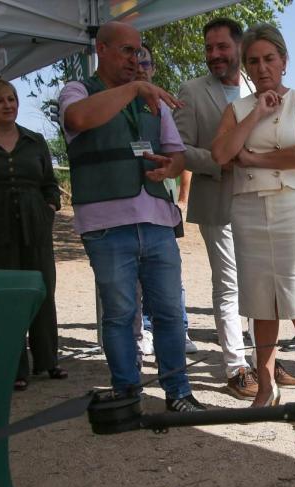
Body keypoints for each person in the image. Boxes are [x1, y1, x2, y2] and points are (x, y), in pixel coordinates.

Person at [58, 21, 203, 412]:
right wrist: (135, 88)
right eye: (126, 50)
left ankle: (179, 394)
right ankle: (127, 393)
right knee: (120, 314)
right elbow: (78, 120)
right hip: (106, 227)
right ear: (101, 49)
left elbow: (177, 156)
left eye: (138, 52)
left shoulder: (151, 98)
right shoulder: (77, 90)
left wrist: (167, 168)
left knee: (171, 313)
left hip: (156, 222)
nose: (134, 59)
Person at [174, 18, 295, 399]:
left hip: (264, 201)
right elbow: (179, 149)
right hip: (219, 199)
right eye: (209, 49)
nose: (215, 55)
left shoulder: (257, 85)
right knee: (230, 286)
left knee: (264, 284)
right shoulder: (192, 91)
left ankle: (265, 361)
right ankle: (236, 366)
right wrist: (225, 161)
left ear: (240, 49)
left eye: (222, 48)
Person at [211, 23, 295, 430]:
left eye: (269, 59)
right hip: (248, 211)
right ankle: (266, 386)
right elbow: (222, 153)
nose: (262, 68)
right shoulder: (238, 109)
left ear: (284, 61)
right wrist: (258, 111)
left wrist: (256, 158)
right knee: (260, 304)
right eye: (254, 61)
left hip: (294, 208)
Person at [0, 78, 66, 391]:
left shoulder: (34, 140)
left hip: (36, 223)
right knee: (9, 293)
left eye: (12, 99)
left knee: (42, 289)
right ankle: (16, 366)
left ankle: (48, 361)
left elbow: (48, 181)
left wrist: (49, 206)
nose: (8, 105)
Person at [130, 41, 199, 358]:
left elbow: (181, 155)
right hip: (127, 207)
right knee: (136, 279)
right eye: (135, 62)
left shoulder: (164, 107)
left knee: (170, 274)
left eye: (146, 64)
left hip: (162, 205)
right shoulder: (117, 105)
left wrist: (182, 198)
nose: (140, 69)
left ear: (153, 69)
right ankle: (143, 331)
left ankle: (178, 329)